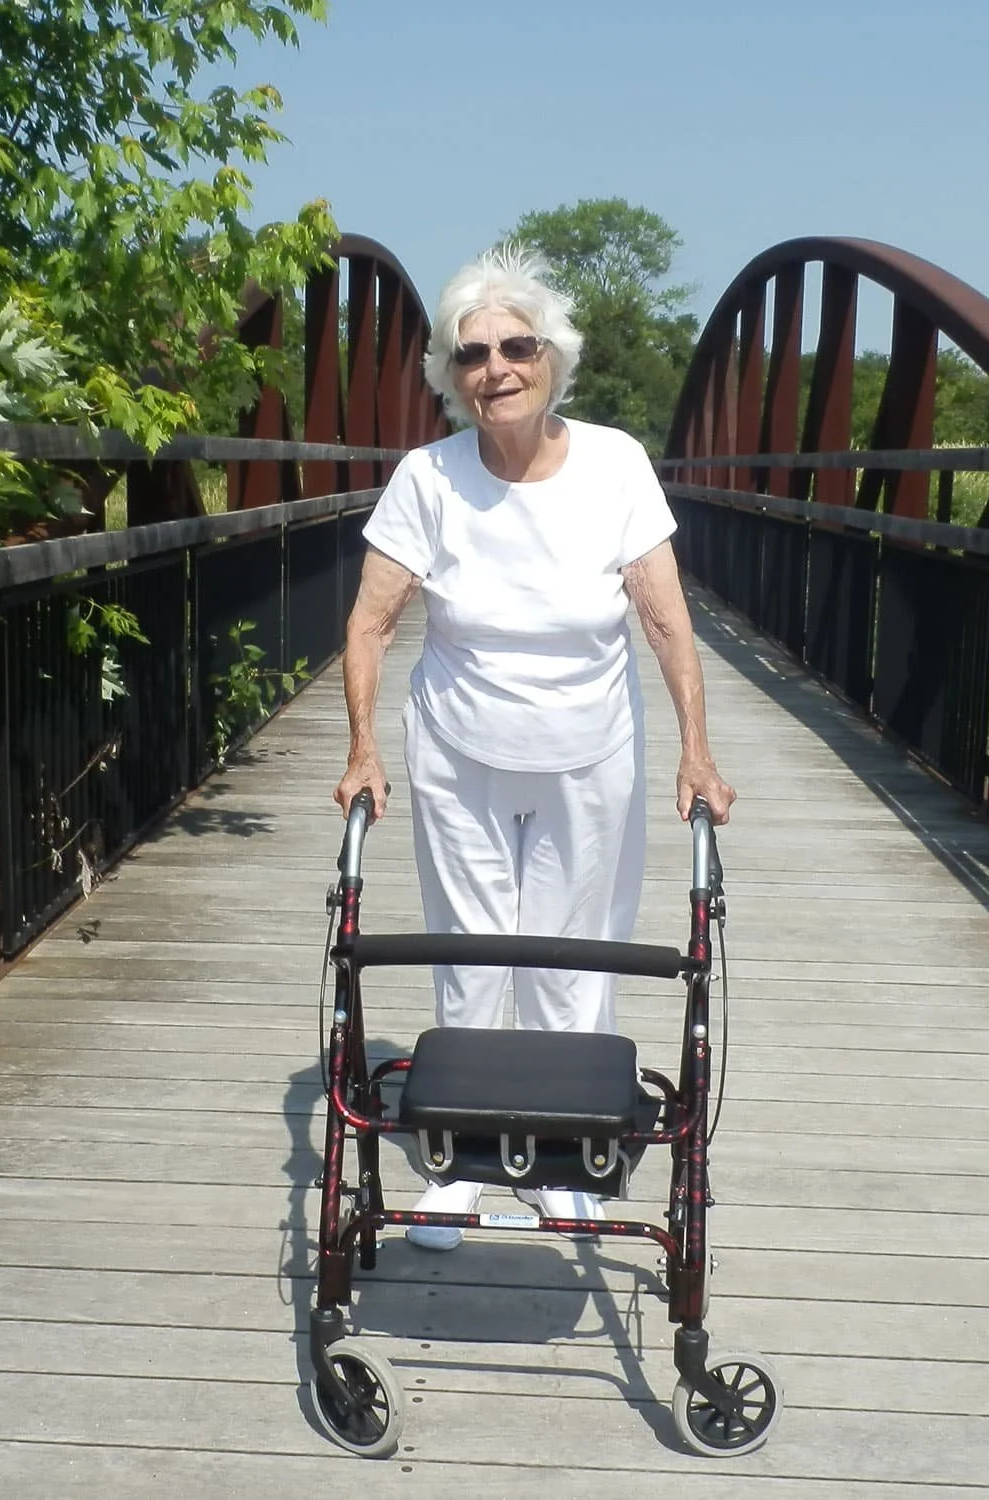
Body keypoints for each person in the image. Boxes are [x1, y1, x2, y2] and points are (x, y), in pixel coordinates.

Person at [334, 245, 734, 1250]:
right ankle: (458, 1169)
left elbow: (668, 621)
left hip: (588, 753)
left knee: (571, 963)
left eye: (517, 347)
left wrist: (697, 749)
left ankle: (563, 1163)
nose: (495, 369)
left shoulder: (615, 465)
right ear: (450, 374)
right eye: (473, 355)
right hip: (460, 754)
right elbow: (371, 622)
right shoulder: (428, 478)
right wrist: (360, 747)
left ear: (553, 358)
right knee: (468, 957)